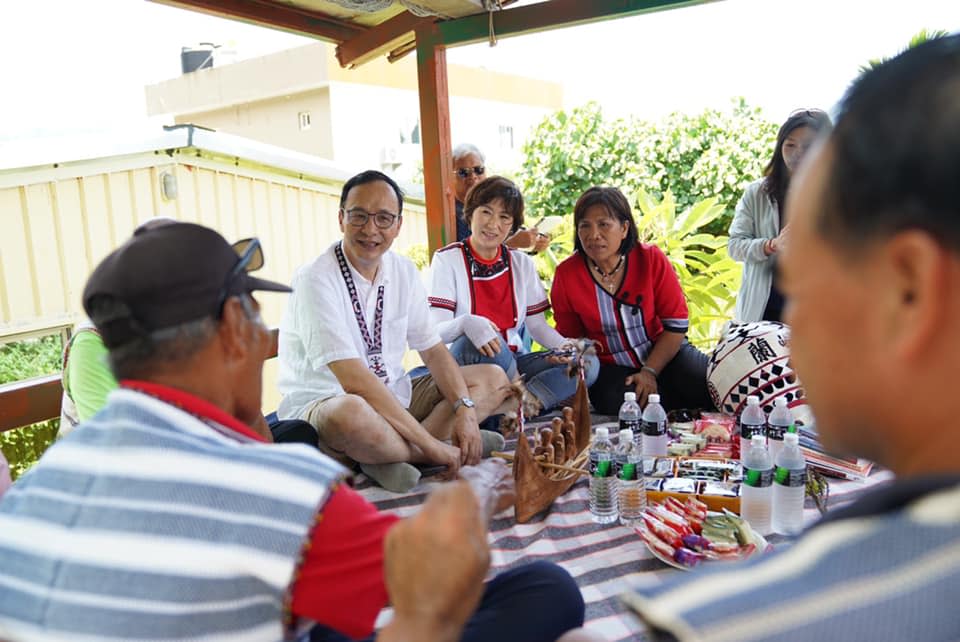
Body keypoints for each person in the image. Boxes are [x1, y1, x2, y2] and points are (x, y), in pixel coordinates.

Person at [0, 222, 586, 642]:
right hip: (353, 498)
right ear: (233, 326)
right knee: (549, 590)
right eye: (255, 316)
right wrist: (480, 494)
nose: (264, 338)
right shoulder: (283, 495)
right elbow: (423, 579)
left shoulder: (28, 496)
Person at [625, 35, 960, 641]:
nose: (789, 336)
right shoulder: (758, 198)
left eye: (806, 291)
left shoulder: (745, 623)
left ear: (908, 291)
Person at [278, 170, 512, 493]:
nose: (371, 229)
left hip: (395, 396)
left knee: (494, 379)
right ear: (341, 218)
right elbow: (353, 381)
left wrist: (466, 411)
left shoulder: (402, 270)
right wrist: (434, 448)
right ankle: (430, 450)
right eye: (359, 216)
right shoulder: (315, 278)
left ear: (398, 225)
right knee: (350, 414)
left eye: (384, 218)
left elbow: (432, 350)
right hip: (330, 401)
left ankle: (383, 456)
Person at [57, 219, 313, 446]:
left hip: (197, 450)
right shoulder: (98, 339)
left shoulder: (194, 327)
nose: (259, 336)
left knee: (299, 432)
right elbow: (122, 448)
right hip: (137, 470)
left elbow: (252, 430)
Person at [428, 176, 599, 416]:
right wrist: (467, 323)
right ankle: (518, 403)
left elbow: (537, 326)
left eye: (504, 217)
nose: (493, 224)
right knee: (481, 338)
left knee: (587, 357)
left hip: (514, 362)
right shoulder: (447, 259)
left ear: (513, 225)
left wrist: (564, 347)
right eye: (486, 212)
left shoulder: (520, 263)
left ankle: (521, 405)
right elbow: (434, 331)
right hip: (467, 363)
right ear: (470, 213)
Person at [551, 186, 712, 414]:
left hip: (665, 353)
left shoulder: (650, 258)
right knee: (618, 401)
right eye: (584, 225)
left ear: (624, 228)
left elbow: (676, 325)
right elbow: (572, 337)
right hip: (613, 367)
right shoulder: (567, 274)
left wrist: (650, 371)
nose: (593, 234)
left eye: (604, 224)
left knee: (706, 381)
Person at [728, 108, 832, 322]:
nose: (798, 153)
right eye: (790, 145)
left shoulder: (839, 194)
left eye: (809, 146)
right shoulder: (758, 192)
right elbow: (735, 246)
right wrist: (771, 245)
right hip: (763, 312)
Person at [453, 143, 550, 253]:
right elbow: (462, 254)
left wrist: (532, 244)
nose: (473, 177)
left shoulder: (496, 200)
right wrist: (511, 242)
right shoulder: (449, 213)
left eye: (478, 170)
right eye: (463, 172)